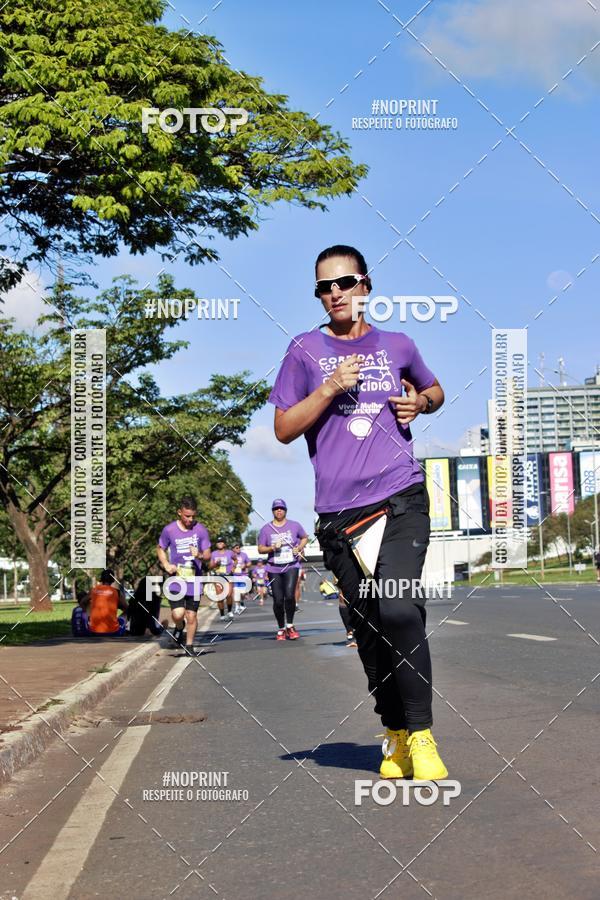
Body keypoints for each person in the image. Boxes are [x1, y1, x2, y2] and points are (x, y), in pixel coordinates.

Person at [270, 243, 448, 782]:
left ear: (365, 286)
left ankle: (422, 735)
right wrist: (328, 387)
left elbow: (434, 390)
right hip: (338, 515)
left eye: (344, 283)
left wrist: (421, 403)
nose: (335, 295)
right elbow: (282, 429)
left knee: (397, 607)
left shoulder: (398, 343)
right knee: (368, 630)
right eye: (324, 288)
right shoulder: (303, 350)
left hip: (400, 497)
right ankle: (393, 731)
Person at [157, 496, 211, 656]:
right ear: (179, 512)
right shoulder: (169, 530)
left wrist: (200, 555)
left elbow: (208, 555)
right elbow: (160, 548)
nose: (190, 519)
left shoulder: (200, 530)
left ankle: (189, 645)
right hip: (176, 580)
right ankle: (179, 627)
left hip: (194, 580)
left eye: (193, 516)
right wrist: (166, 564)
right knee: (178, 614)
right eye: (187, 516)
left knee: (191, 615)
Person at [257, 500, 308, 640]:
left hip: (291, 565)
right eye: (276, 509)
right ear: (272, 511)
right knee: (278, 600)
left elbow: (304, 537)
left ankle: (290, 626)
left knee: (290, 596)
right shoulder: (266, 529)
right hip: (274, 567)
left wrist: (300, 548)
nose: (279, 511)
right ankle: (281, 628)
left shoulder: (294, 525)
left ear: (285, 510)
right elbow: (260, 549)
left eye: (281, 508)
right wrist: (272, 547)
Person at [129, 567, 166, 637]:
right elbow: (153, 617)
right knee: (164, 624)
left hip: (134, 630)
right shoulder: (155, 599)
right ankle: (160, 627)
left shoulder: (134, 599)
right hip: (149, 629)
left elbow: (128, 615)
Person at [89, 570, 128, 635]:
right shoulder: (116, 592)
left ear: (101, 579)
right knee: (129, 611)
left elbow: (82, 602)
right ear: (113, 579)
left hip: (93, 631)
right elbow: (126, 608)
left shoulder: (93, 590)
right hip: (113, 631)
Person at [209, 537, 235, 620]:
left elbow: (236, 559)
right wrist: (216, 563)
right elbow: (210, 566)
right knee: (220, 597)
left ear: (224, 544)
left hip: (228, 575)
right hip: (218, 576)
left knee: (229, 595)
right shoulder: (213, 554)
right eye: (218, 542)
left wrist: (233, 567)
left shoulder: (230, 553)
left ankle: (230, 611)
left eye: (221, 542)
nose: (219, 543)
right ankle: (222, 614)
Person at [231, 542, 251, 614]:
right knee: (236, 591)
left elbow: (249, 563)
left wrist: (245, 565)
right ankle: (237, 606)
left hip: (243, 575)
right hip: (235, 576)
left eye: (239, 547)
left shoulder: (244, 555)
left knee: (242, 593)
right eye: (236, 548)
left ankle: (241, 602)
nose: (238, 549)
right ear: (233, 549)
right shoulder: (231, 555)